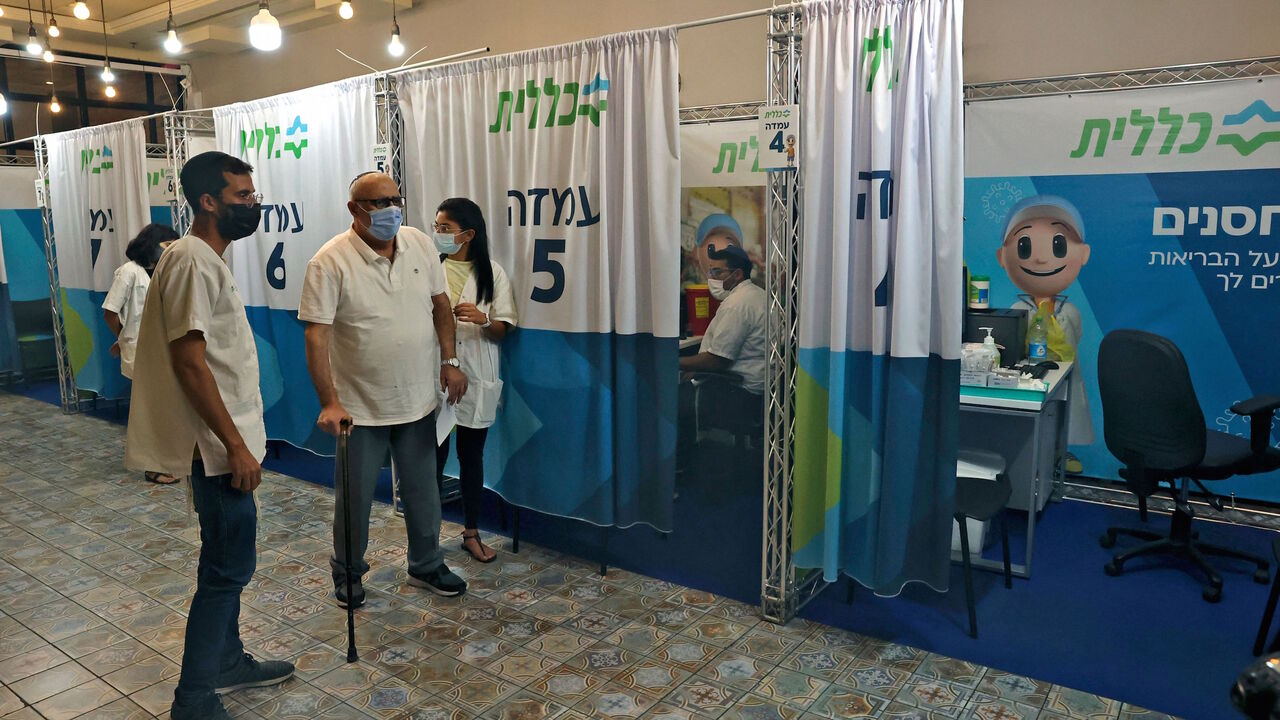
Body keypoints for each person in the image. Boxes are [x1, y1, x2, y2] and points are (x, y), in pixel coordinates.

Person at [124, 151, 294, 720]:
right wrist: (235, 447)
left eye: (252, 194)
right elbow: (191, 362)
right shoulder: (194, 260)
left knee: (225, 562)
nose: (254, 204)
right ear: (208, 202)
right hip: (218, 450)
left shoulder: (200, 258)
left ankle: (227, 660)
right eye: (242, 196)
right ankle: (193, 699)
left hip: (222, 445)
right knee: (226, 571)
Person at [299, 171, 469, 609]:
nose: (391, 209)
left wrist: (449, 361)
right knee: (354, 500)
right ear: (354, 210)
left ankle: (427, 563)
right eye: (378, 203)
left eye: (396, 199)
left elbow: (440, 306)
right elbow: (316, 336)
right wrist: (329, 401)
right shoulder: (329, 261)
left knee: (423, 491)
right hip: (360, 408)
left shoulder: (418, 242)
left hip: (416, 400)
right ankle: (349, 572)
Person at [432, 197, 518, 564]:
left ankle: (470, 532)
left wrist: (483, 319)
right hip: (432, 373)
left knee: (471, 456)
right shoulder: (428, 268)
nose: (437, 234)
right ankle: (426, 538)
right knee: (431, 458)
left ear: (468, 234)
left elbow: (504, 329)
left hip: (477, 373)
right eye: (435, 227)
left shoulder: (492, 273)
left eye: (445, 229)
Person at [995, 195, 1096, 473]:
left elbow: (1077, 336)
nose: (1040, 258)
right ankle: (1030, 452)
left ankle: (1060, 452)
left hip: (1065, 372)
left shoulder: (1070, 311)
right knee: (1031, 417)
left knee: (1066, 412)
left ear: (1083, 253)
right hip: (1030, 373)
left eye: (1058, 245)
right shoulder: (1018, 310)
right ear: (1002, 256)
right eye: (1024, 246)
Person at [104, 223, 179, 484]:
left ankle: (163, 460)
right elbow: (111, 312)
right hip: (139, 351)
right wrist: (123, 338)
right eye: (167, 245)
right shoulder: (129, 272)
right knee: (151, 410)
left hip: (160, 350)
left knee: (160, 409)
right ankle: (153, 465)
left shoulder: (159, 271)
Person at [679, 244, 767, 395]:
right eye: (710, 271)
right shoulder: (758, 294)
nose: (711, 278)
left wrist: (676, 362)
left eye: (717, 272)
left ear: (737, 274)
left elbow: (718, 360)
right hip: (753, 387)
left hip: (736, 391)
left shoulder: (737, 304)